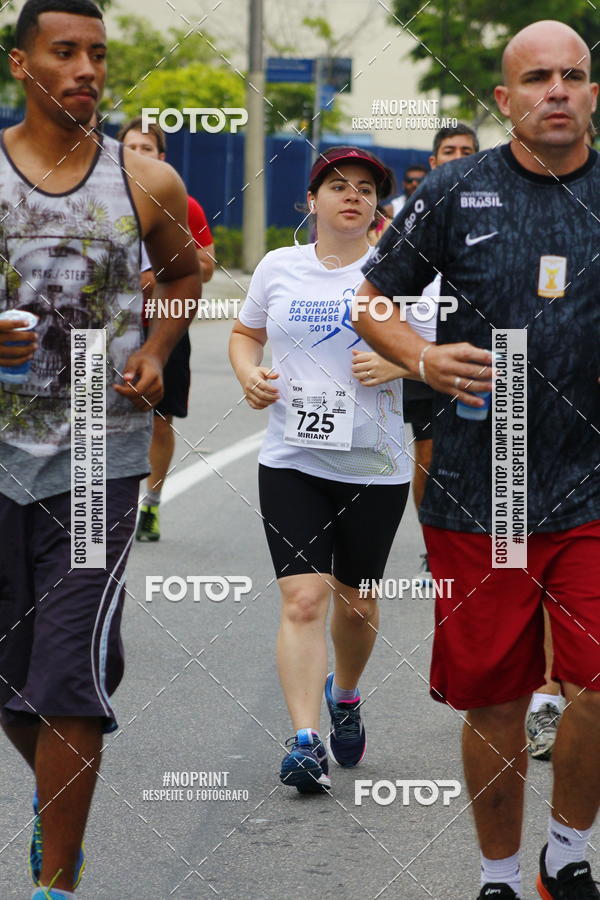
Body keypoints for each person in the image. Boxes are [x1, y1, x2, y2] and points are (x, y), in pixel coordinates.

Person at [354, 20, 600, 900]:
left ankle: (565, 856)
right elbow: (372, 301)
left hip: (592, 490)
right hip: (481, 490)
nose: (558, 90)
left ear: (594, 92)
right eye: (538, 78)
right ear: (506, 100)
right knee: (495, 701)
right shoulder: (457, 191)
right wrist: (421, 358)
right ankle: (498, 874)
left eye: (574, 75)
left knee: (596, 684)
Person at [0, 2, 201, 898]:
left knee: (71, 676)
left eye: (98, 55)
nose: (87, 69)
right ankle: (60, 805)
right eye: (65, 52)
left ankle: (55, 884)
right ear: (20, 63)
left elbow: (187, 268)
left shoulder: (142, 179)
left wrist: (156, 351)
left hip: (97, 461)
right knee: (18, 679)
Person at [229, 146, 412, 794]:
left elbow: (442, 351)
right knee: (303, 598)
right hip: (292, 459)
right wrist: (250, 374)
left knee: (357, 604)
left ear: (377, 206)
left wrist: (401, 363)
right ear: (311, 200)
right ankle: (306, 740)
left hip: (375, 464)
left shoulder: (401, 272)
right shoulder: (279, 267)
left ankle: (348, 693)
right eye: (338, 185)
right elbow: (245, 333)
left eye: (366, 188)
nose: (352, 196)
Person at [115, 116, 215, 541]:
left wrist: (163, 268)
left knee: (159, 420)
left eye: (147, 149)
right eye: (130, 148)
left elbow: (207, 266)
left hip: (164, 328)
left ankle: (151, 505)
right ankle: (98, 510)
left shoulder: (182, 204)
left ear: (162, 157)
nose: (138, 156)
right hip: (107, 330)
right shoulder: (97, 200)